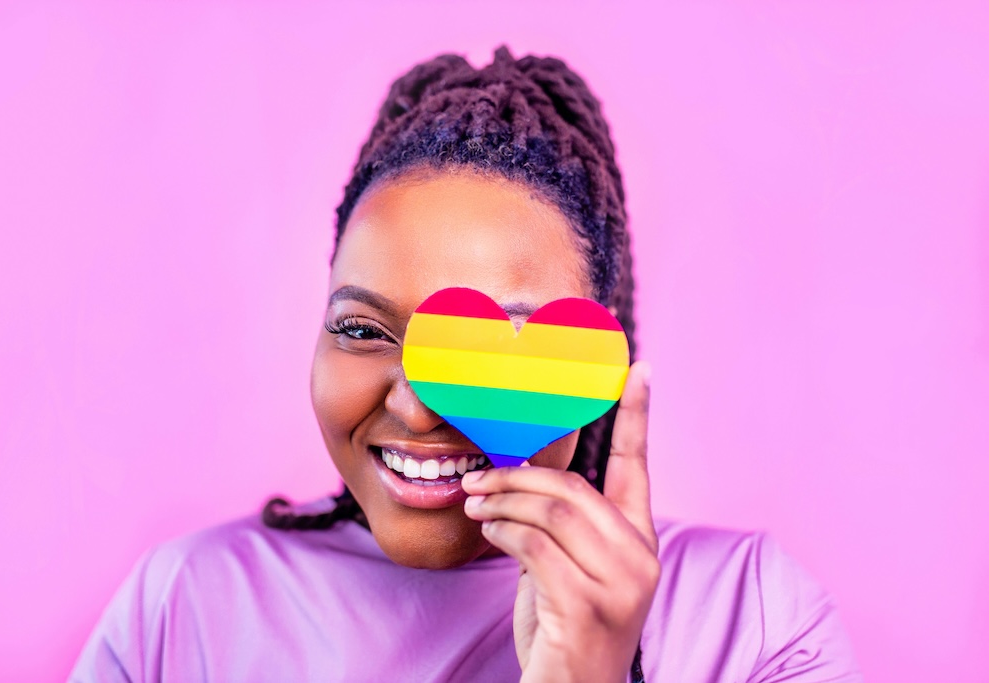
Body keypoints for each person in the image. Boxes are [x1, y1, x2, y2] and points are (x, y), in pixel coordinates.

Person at [71, 46, 862, 682]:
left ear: (596, 359)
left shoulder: (754, 622)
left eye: (489, 345)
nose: (418, 409)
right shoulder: (183, 611)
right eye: (363, 328)